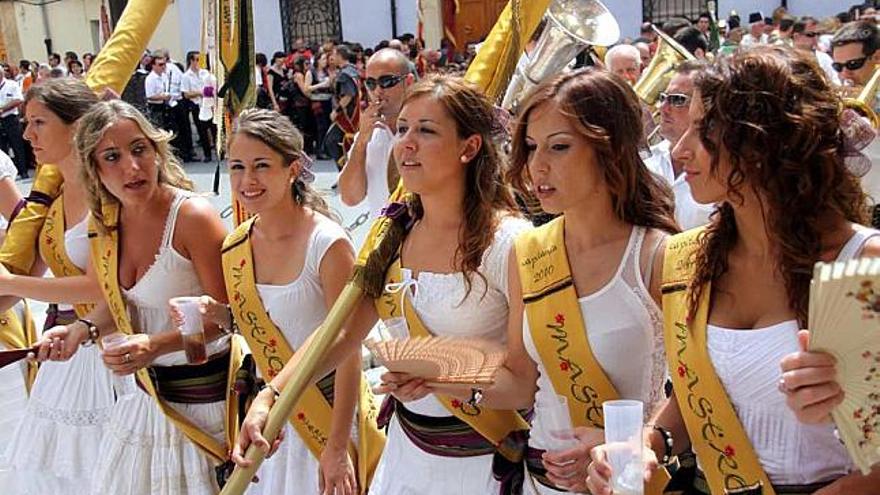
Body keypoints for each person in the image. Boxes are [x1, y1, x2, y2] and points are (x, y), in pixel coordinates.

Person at [587, 45, 880, 495]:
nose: (680, 149)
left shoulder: (865, 264)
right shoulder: (691, 259)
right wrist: (648, 443)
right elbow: (697, 392)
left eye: (703, 129)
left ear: (761, 141)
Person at [233, 74, 532, 494]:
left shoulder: (510, 243)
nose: (405, 143)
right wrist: (271, 395)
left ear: (469, 147)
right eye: (403, 128)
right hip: (407, 459)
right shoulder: (395, 234)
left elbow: (524, 384)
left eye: (426, 131)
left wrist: (437, 376)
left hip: (483, 461)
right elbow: (342, 330)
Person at [474, 68, 678, 494]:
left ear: (611, 149)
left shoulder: (658, 255)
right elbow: (522, 381)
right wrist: (438, 374)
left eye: (560, 147)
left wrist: (622, 444)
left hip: (626, 481)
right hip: (540, 480)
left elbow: (701, 391)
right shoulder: (529, 252)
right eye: (530, 148)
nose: (537, 166)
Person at [197, 108, 384, 494]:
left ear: (293, 169)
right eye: (237, 167)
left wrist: (335, 448)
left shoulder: (327, 243)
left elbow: (347, 347)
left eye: (261, 165)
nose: (247, 181)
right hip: (270, 421)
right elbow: (273, 324)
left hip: (328, 413)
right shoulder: (236, 244)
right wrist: (226, 317)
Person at [66, 100, 235, 494]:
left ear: (156, 150)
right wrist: (82, 328)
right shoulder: (105, 223)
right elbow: (121, 301)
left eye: (140, 149)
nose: (132, 166)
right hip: (142, 401)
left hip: (201, 406)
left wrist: (155, 346)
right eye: (113, 156)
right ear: (94, 170)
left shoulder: (193, 217)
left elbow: (228, 318)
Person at [2, 78, 113, 495]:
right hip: (70, 352)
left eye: (38, 122)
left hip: (111, 346)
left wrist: (13, 282)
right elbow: (25, 279)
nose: (27, 134)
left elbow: (107, 287)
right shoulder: (52, 194)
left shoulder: (107, 191)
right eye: (27, 123)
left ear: (78, 125)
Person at [339, 48, 414, 224]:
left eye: (387, 81)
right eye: (371, 83)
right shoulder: (368, 134)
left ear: (408, 82)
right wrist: (361, 142)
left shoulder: (428, 128)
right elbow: (351, 198)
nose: (378, 90)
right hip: (382, 242)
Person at [644, 61, 713, 230]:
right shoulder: (644, 162)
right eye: (663, 98)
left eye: (677, 100)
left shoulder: (720, 170)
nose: (663, 108)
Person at [328, 44, 361, 168]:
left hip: (348, 115)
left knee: (332, 141)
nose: (332, 57)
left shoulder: (345, 74)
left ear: (340, 56)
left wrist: (336, 111)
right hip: (357, 113)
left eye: (334, 54)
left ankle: (345, 170)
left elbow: (348, 95)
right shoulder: (354, 71)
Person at [181, 51, 214, 162]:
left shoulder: (205, 73)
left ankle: (220, 150)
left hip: (209, 103)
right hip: (197, 105)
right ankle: (207, 154)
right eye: (197, 59)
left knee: (214, 127)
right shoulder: (186, 76)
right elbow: (186, 94)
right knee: (202, 130)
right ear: (192, 61)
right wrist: (199, 93)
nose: (199, 62)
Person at [793, 16, 840, 85]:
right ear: (796, 36)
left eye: (818, 34)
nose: (815, 38)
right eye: (810, 34)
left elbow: (835, 80)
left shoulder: (823, 58)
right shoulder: (785, 56)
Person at [0, 66, 28, 178]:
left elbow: (18, 99)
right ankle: (6, 174)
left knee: (17, 145)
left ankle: (23, 170)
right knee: (2, 147)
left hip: (10, 118)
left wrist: (3, 109)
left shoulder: (11, 84)